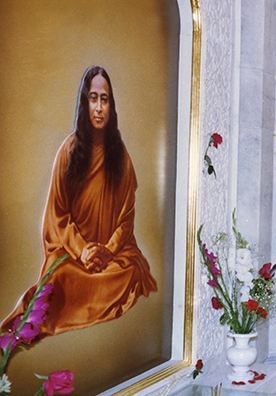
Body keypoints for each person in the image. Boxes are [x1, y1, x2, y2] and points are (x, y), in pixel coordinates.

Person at [1, 66, 158, 339]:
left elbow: (126, 219)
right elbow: (57, 216)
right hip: (74, 257)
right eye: (93, 98)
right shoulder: (69, 151)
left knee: (131, 270)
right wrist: (84, 251)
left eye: (104, 99)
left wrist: (107, 251)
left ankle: (99, 279)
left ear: (111, 106)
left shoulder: (121, 157)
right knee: (59, 278)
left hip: (111, 258)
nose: (99, 108)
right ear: (85, 103)